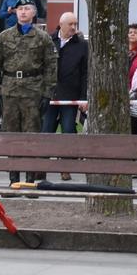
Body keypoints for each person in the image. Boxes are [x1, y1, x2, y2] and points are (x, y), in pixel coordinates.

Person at [0, 0, 57, 190]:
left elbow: (51, 67)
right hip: (10, 90)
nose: (23, 12)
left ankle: (29, 180)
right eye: (20, 9)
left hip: (33, 91)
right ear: (15, 12)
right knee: (12, 136)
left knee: (31, 137)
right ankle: (13, 179)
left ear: (34, 13)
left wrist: (47, 94)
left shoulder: (43, 38)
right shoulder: (4, 37)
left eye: (27, 9)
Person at [40, 12, 88, 181]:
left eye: (76, 24)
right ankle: (41, 168)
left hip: (70, 95)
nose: (74, 27)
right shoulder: (48, 41)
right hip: (49, 95)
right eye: (70, 24)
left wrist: (83, 98)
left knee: (68, 130)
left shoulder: (82, 45)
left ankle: (65, 168)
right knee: (46, 130)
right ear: (61, 25)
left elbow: (85, 73)